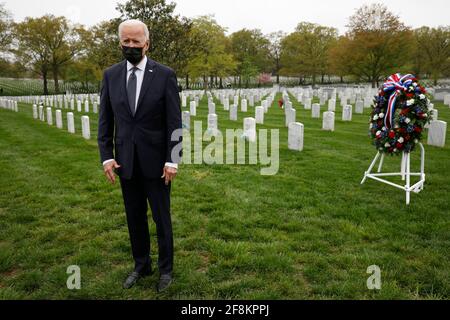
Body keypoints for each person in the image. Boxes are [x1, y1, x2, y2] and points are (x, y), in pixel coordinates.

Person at [97, 19, 182, 292]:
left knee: (161, 218)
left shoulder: (165, 74)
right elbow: (105, 120)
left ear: (147, 43)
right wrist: (106, 156)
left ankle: (165, 270)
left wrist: (173, 159)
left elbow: (175, 123)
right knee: (134, 217)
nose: (131, 46)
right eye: (126, 41)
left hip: (158, 164)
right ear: (120, 42)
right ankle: (141, 264)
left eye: (136, 41)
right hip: (126, 162)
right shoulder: (110, 75)